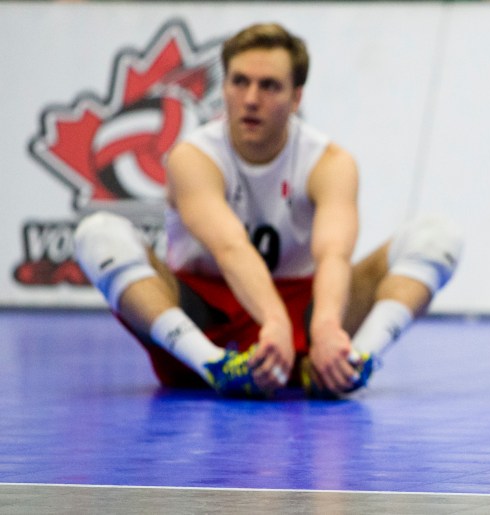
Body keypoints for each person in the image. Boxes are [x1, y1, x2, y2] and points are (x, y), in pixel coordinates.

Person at [73, 23, 462, 399]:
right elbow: (230, 248)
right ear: (223, 87)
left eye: (269, 85)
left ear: (296, 97)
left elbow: (334, 255)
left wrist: (327, 328)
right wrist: (272, 320)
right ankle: (214, 366)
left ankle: (351, 363)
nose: (251, 98)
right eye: (239, 81)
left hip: (304, 322)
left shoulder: (329, 162)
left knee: (437, 235)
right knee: (98, 232)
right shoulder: (193, 157)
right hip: (206, 318)